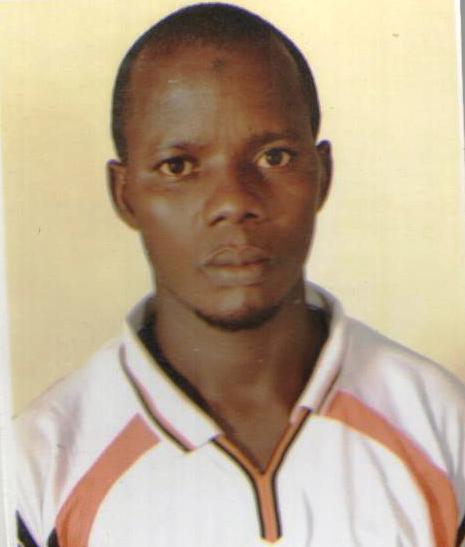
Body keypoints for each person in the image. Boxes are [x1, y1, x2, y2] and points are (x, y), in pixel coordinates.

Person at [15, 3, 465, 546]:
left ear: (322, 175)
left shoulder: (443, 426)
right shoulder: (37, 468)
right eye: (179, 166)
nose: (233, 201)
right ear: (125, 194)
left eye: (274, 157)